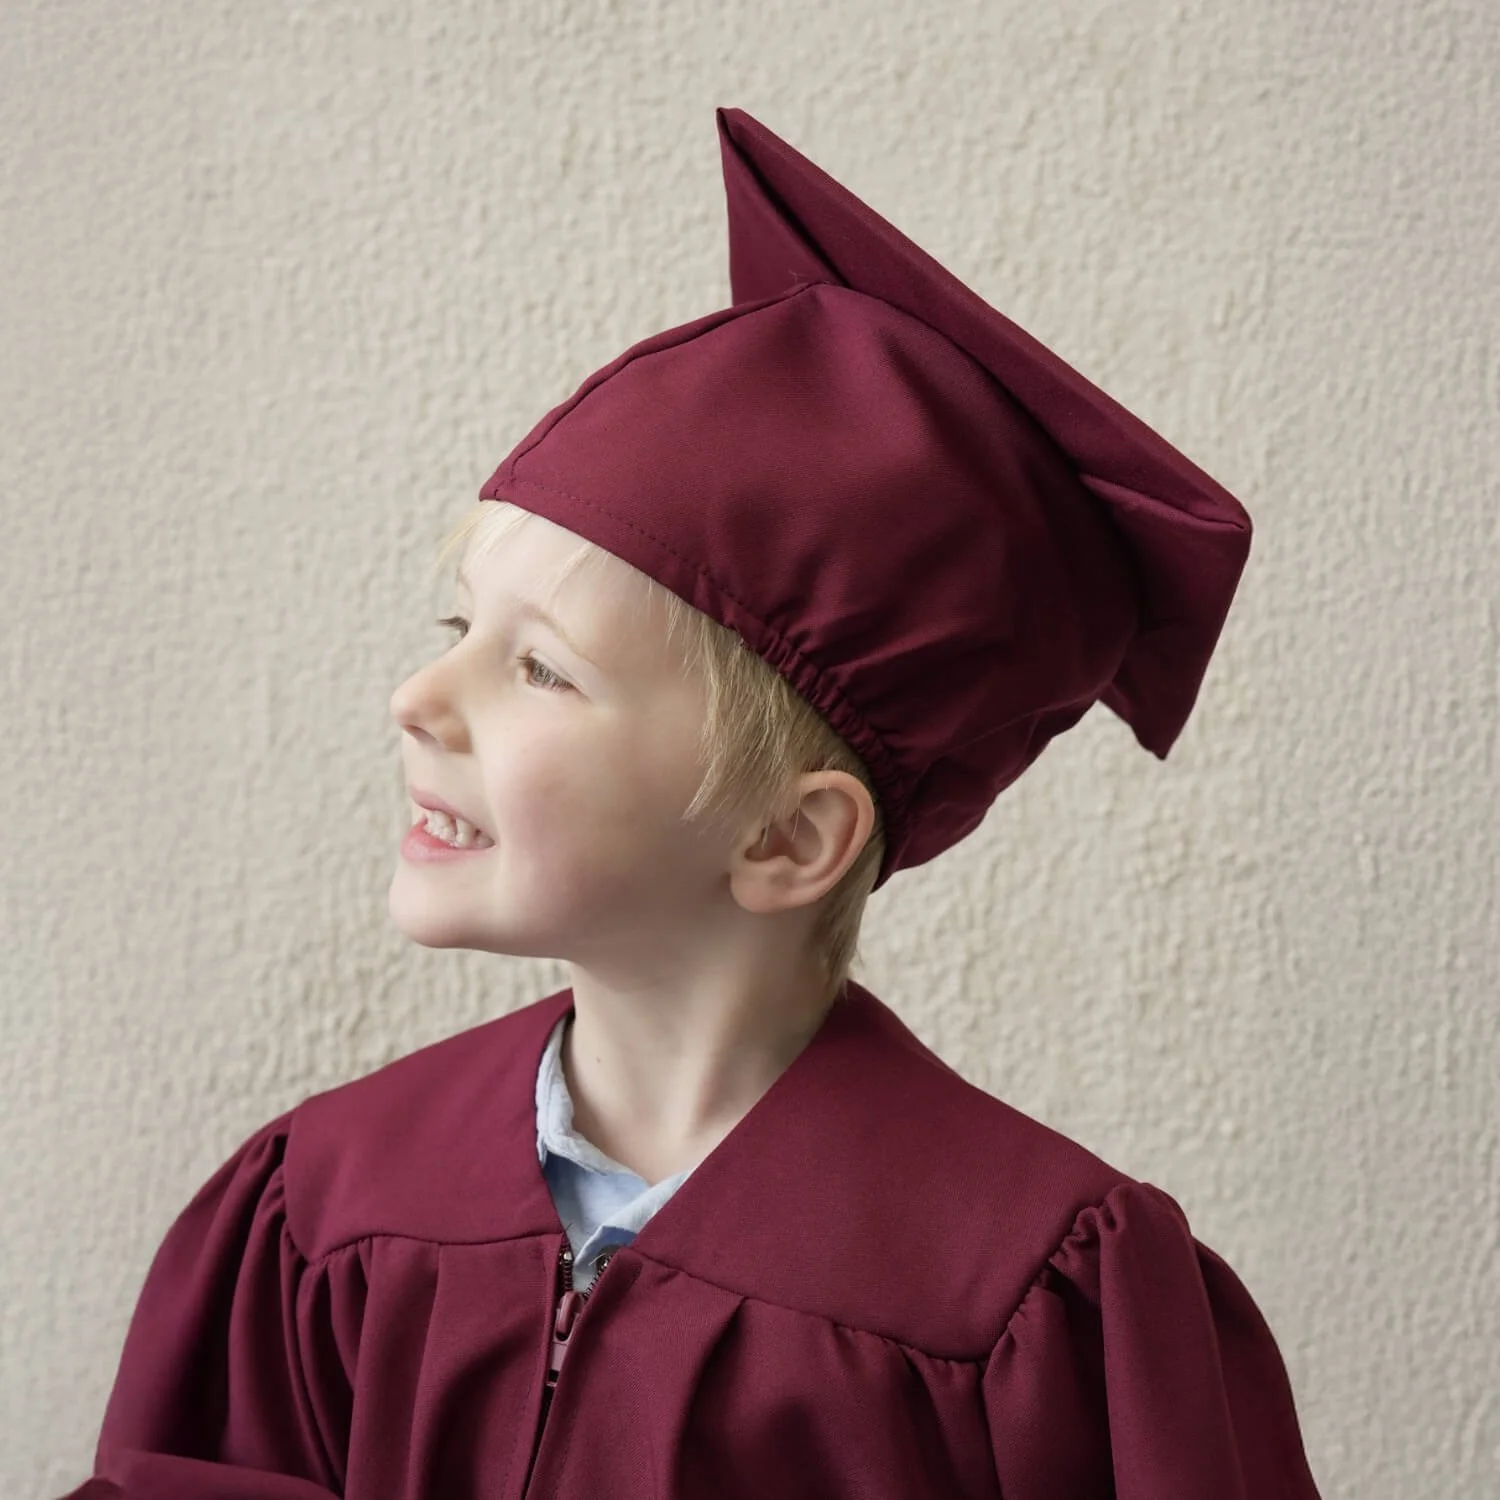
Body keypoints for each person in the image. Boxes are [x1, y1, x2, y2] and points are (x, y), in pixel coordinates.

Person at [63, 108, 1322, 1498]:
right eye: (457, 622)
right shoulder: (325, 1207)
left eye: (538, 668)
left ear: (789, 838)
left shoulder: (1032, 1303)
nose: (420, 697)